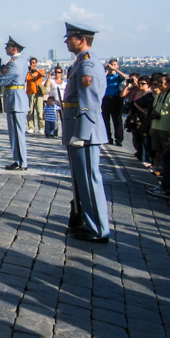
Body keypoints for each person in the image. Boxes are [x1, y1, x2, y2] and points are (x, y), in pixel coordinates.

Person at [61, 22, 110, 243]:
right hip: (77, 127)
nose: (66, 41)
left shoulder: (87, 65)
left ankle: (99, 230)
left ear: (81, 40)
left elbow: (89, 101)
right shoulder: (81, 62)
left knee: (89, 180)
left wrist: (81, 133)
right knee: (82, 180)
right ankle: (88, 223)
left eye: (70, 38)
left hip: (85, 130)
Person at [0, 36, 28, 170]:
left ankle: (21, 162)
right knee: (16, 132)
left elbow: (1, 81)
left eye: (7, 46)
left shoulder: (14, 63)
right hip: (16, 98)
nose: (5, 49)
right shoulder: (21, 61)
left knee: (16, 133)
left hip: (15, 100)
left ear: (14, 48)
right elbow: (4, 69)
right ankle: (19, 160)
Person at [126, 76, 154, 163]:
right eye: (140, 83)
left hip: (144, 119)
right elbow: (132, 104)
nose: (141, 85)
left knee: (144, 139)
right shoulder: (137, 93)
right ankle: (139, 154)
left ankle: (146, 159)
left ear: (148, 85)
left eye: (143, 83)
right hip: (134, 118)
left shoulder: (149, 95)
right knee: (136, 138)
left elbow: (146, 109)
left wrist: (139, 108)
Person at [149, 74, 170, 177]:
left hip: (166, 128)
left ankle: (165, 170)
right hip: (155, 126)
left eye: (161, 83)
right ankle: (157, 167)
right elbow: (154, 109)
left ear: (168, 83)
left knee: (165, 151)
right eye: (157, 83)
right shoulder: (159, 95)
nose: (158, 85)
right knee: (155, 149)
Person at [102, 58, 128, 146]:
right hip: (106, 98)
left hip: (116, 98)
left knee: (117, 120)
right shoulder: (106, 76)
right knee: (106, 119)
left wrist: (115, 70)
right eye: (111, 65)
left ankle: (119, 139)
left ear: (117, 66)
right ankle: (107, 138)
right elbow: (100, 80)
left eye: (114, 64)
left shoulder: (117, 76)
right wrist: (106, 71)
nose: (112, 66)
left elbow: (125, 77)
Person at [25, 57, 47, 134]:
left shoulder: (40, 71)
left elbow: (44, 75)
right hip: (30, 93)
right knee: (30, 111)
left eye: (34, 63)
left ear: (36, 63)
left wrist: (36, 70)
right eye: (31, 63)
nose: (32, 64)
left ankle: (41, 127)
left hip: (38, 93)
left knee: (39, 111)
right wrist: (28, 71)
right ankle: (31, 127)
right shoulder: (27, 73)